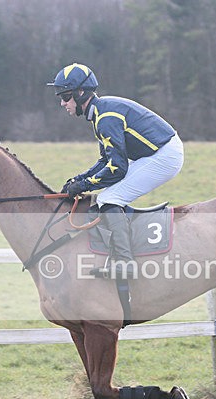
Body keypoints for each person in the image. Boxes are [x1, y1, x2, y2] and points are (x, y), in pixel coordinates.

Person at [48, 63, 184, 278]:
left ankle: (124, 262)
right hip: (158, 152)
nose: (62, 103)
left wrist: (84, 185)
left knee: (110, 198)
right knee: (108, 196)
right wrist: (79, 179)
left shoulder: (106, 118)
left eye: (65, 96)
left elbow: (117, 169)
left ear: (80, 93)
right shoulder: (99, 114)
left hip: (165, 156)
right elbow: (106, 160)